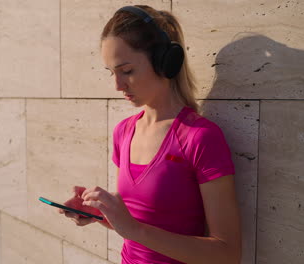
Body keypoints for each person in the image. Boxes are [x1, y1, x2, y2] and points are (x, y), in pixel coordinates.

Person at [59, 5, 242, 264]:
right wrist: (100, 213)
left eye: (127, 71)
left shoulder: (200, 137)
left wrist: (133, 229)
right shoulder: (124, 131)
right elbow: (139, 221)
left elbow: (227, 254)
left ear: (165, 62)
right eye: (112, 73)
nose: (117, 85)